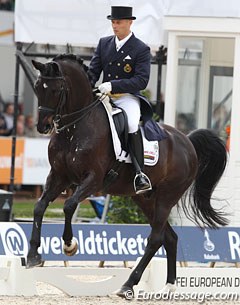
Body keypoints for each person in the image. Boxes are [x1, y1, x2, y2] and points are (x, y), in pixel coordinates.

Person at [88, 6, 152, 194]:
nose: (115, 26)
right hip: (103, 96)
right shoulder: (104, 43)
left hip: (126, 97)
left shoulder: (141, 49)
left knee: (132, 123)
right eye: (113, 22)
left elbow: (141, 80)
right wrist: (87, 87)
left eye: (119, 22)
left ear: (129, 22)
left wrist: (114, 86)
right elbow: (93, 72)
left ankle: (140, 173)